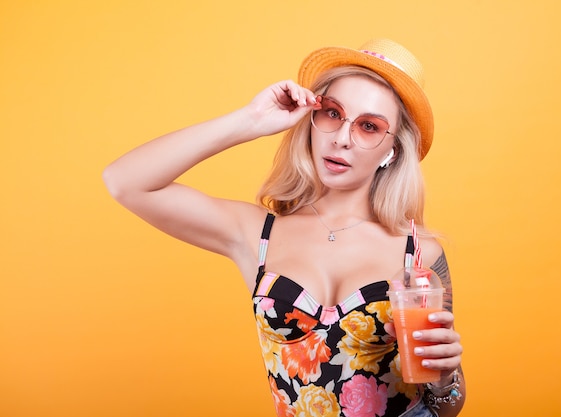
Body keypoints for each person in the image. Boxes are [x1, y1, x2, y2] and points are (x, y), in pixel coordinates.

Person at [103, 38, 465, 417]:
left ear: (392, 150)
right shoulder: (258, 234)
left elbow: (448, 406)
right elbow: (125, 182)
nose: (341, 138)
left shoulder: (419, 253)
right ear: (311, 117)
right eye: (332, 114)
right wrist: (251, 120)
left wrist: (444, 378)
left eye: (369, 126)